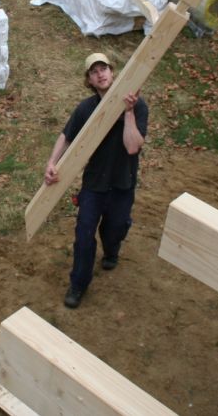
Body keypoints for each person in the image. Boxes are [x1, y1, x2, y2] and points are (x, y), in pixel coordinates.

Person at [44, 52, 148, 309]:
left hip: (123, 183)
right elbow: (66, 137)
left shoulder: (138, 105)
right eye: (94, 71)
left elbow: (133, 147)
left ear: (113, 72)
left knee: (115, 228)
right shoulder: (86, 108)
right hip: (94, 184)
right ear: (89, 80)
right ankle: (78, 284)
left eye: (104, 69)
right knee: (83, 234)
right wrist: (52, 163)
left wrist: (129, 113)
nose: (100, 74)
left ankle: (112, 250)